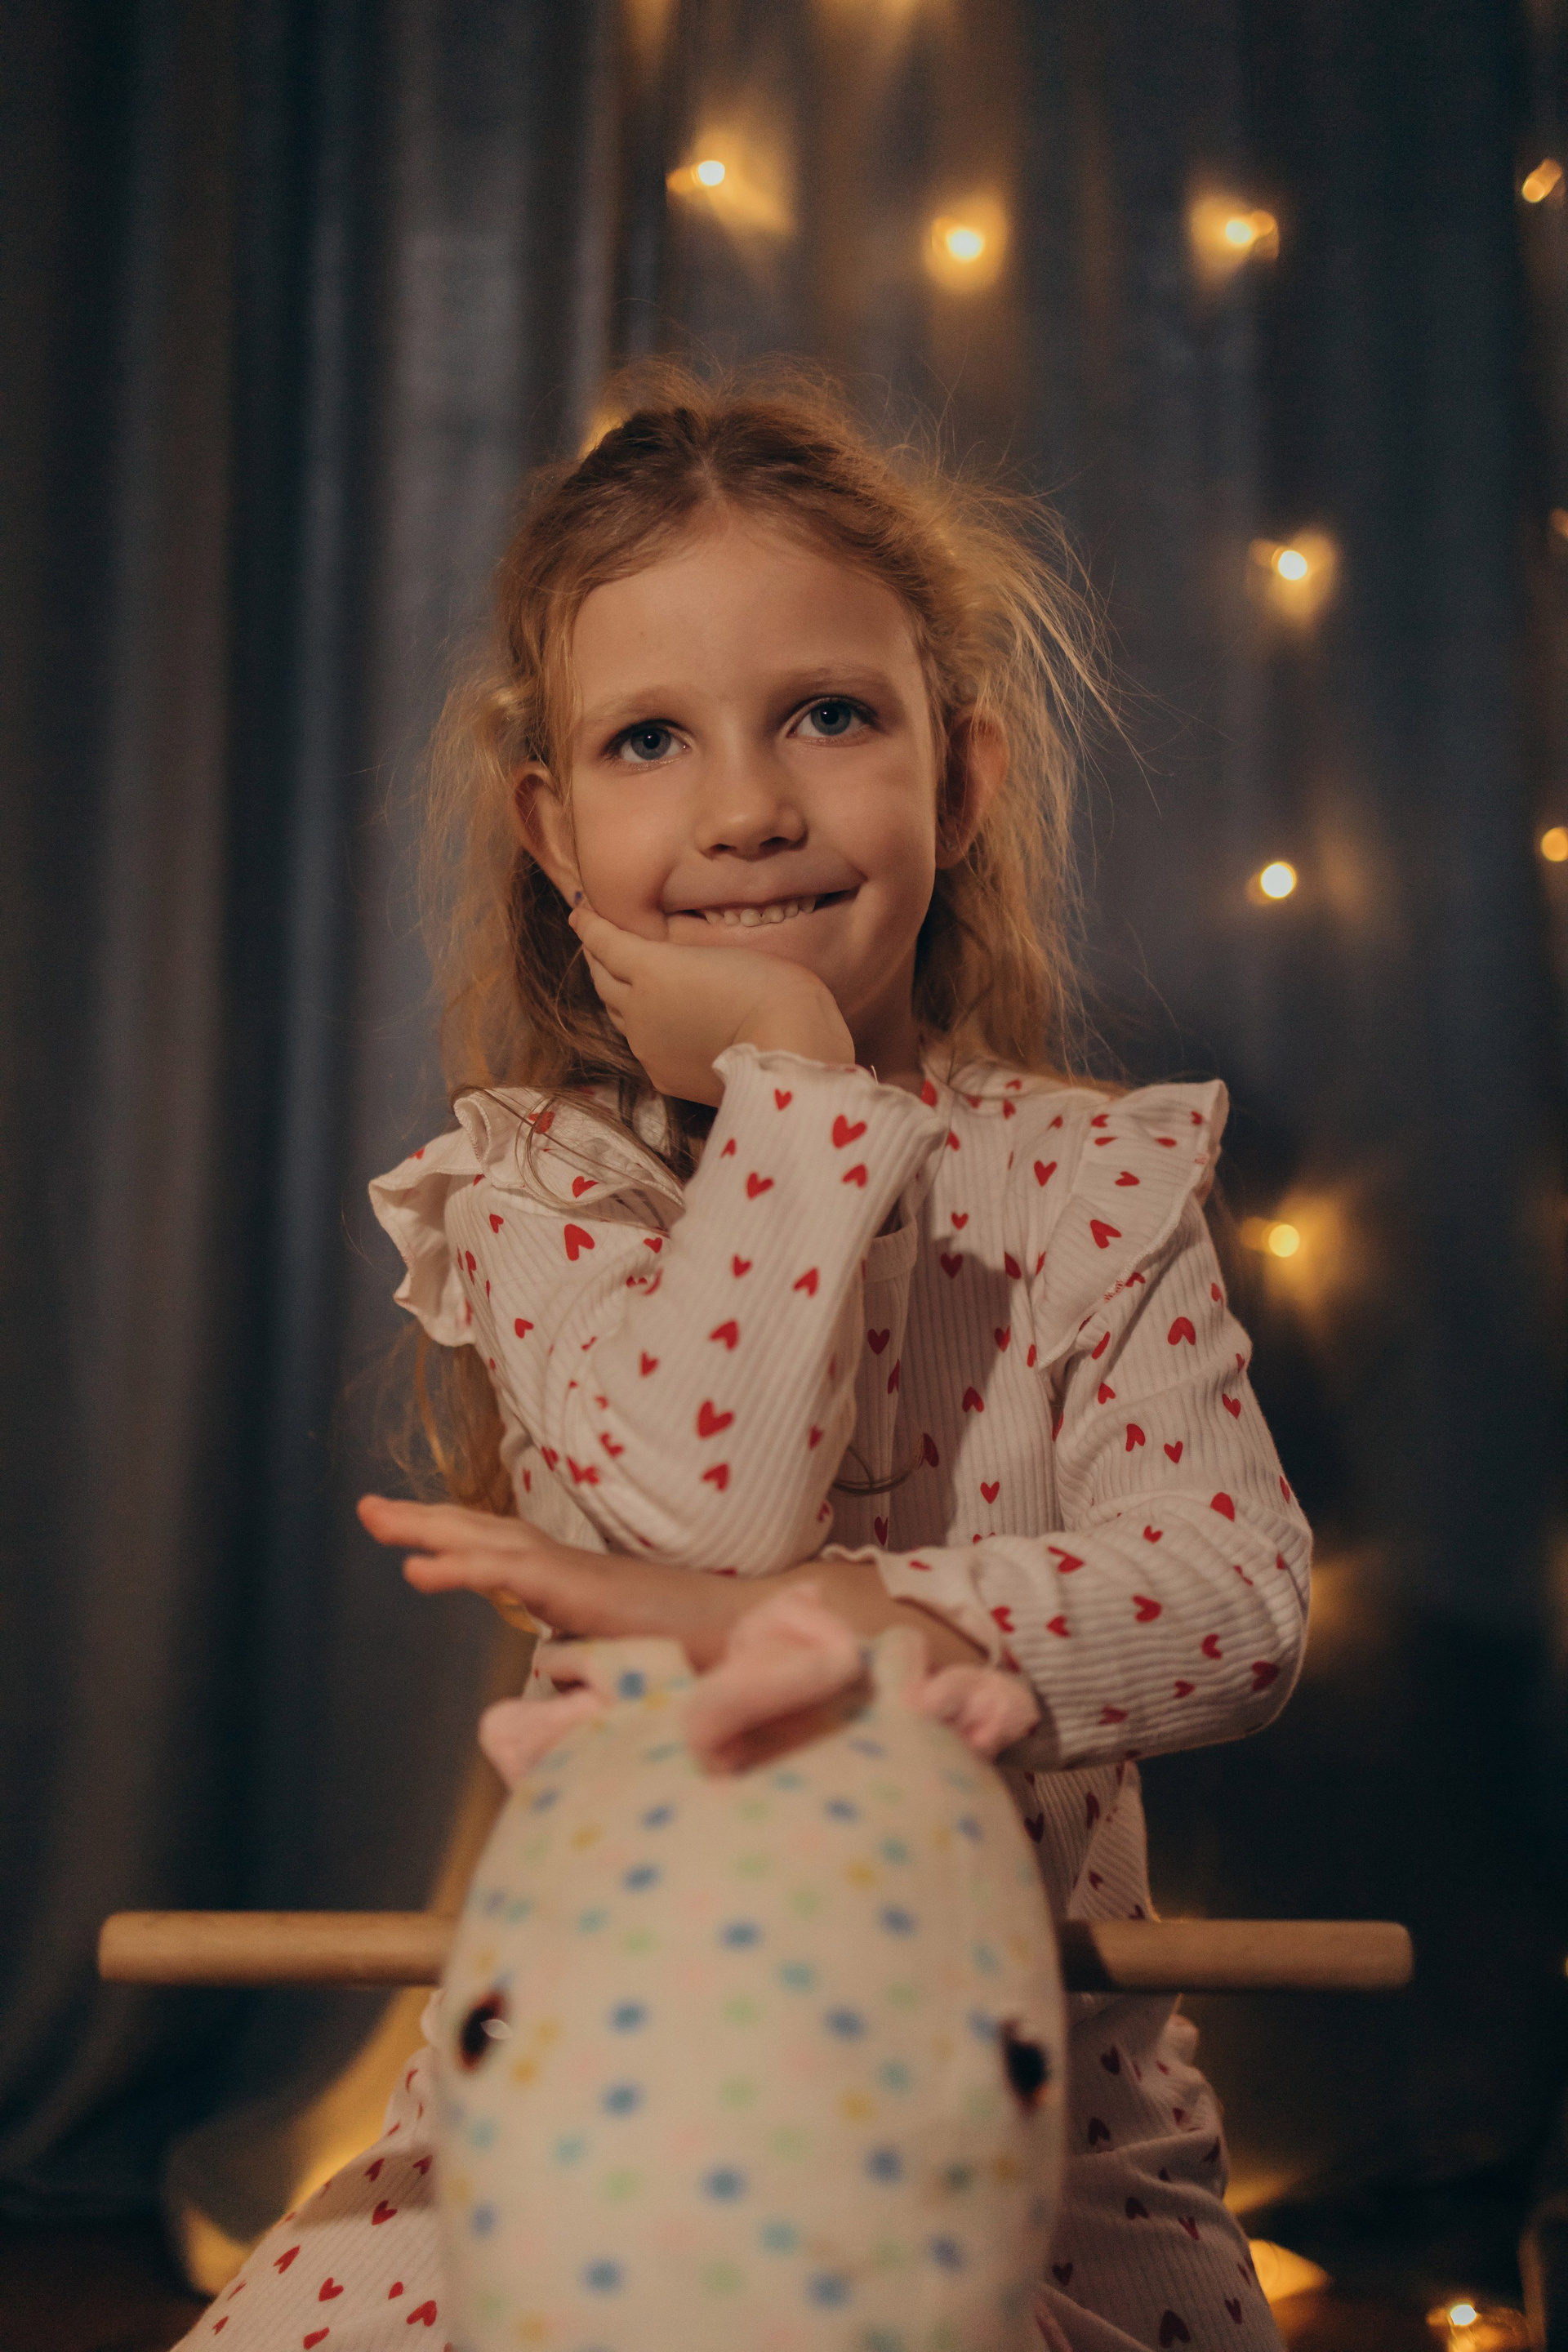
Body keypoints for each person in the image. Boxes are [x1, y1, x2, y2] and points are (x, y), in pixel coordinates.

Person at [183, 369, 1307, 2352]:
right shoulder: (538, 1190)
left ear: (959, 778)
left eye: (830, 716)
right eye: (650, 739)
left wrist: (853, 1618)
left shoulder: (1096, 1185)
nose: (748, 808)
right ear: (552, 829)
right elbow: (706, 1506)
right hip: (586, 2118)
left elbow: (1238, 1604)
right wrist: (795, 1076)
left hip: (1040, 2149)